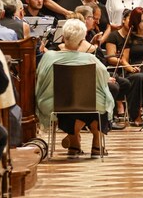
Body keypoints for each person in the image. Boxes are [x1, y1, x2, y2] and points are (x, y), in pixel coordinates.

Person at [36, 19, 113, 157]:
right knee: (100, 98)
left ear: (63, 37)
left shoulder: (49, 57)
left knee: (67, 100)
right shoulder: (91, 59)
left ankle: (74, 144)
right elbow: (104, 78)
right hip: (89, 104)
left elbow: (40, 78)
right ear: (82, 39)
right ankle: (97, 144)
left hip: (56, 104)